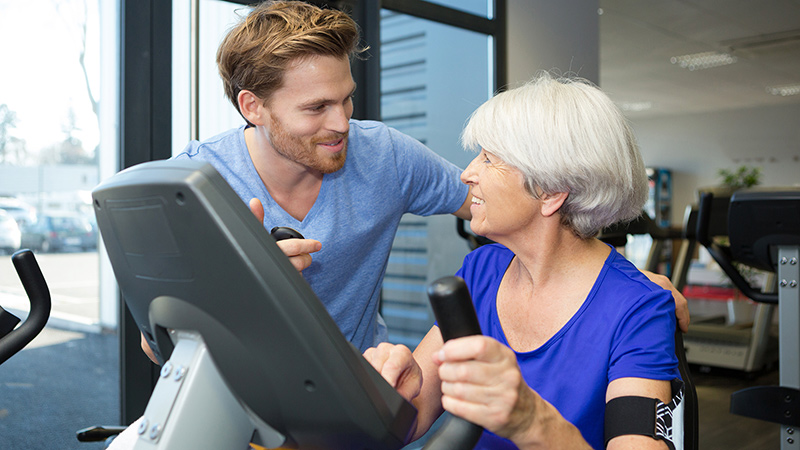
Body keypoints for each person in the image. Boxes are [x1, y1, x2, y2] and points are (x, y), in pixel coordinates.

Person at [365, 73, 682, 450]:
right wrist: (391, 394)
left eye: (488, 159)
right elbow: (414, 413)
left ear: (549, 191)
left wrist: (532, 420)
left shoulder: (637, 308)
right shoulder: (481, 270)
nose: (467, 174)